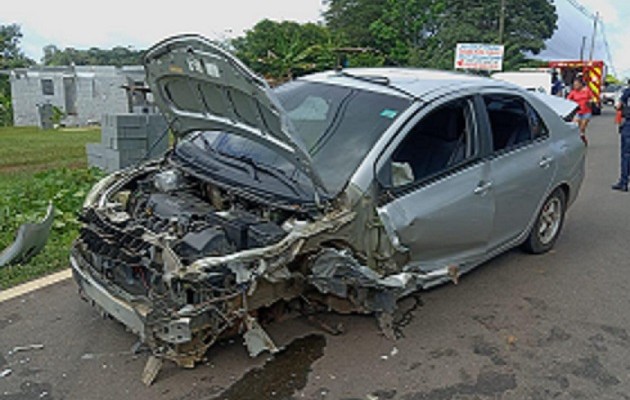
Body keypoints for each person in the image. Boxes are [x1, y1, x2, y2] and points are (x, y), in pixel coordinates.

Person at [612, 81, 630, 192]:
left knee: (626, 154)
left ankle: (624, 182)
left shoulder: (627, 92)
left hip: (629, 125)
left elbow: (618, 105)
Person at [567, 78, 594, 143]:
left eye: (577, 84)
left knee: (582, 128)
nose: (575, 86)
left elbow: (592, 99)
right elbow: (567, 100)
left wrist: (589, 102)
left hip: (586, 111)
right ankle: (577, 139)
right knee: (575, 126)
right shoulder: (573, 92)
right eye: (574, 85)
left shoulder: (587, 91)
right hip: (577, 112)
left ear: (581, 84)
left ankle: (582, 138)